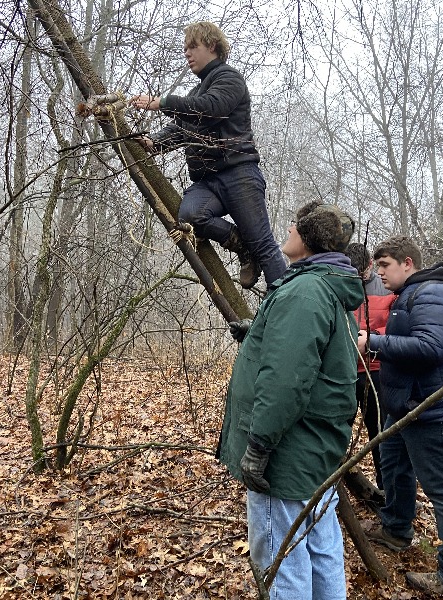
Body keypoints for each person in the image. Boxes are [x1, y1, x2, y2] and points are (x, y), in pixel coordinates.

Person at [218, 201, 363, 599]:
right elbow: (309, 354)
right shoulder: (326, 285)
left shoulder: (305, 292)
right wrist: (261, 330)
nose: (288, 229)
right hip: (315, 446)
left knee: (281, 558)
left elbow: (287, 381)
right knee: (319, 544)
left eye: (295, 225)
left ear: (308, 238)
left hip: (287, 451)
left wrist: (260, 445)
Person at [360, 235, 443, 596]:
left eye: (385, 265)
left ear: (407, 262)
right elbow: (417, 337)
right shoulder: (413, 295)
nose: (379, 273)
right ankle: (396, 530)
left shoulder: (434, 293)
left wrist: (375, 343)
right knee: (394, 465)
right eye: (377, 266)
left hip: (436, 412)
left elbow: (431, 347)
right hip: (409, 408)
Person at [129, 21, 286, 289]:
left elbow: (210, 108)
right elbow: (181, 130)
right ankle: (241, 246)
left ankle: (284, 304)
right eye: (185, 49)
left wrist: (163, 102)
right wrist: (152, 142)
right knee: (189, 216)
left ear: (212, 46)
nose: (187, 54)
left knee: (263, 244)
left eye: (193, 47)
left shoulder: (229, 78)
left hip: (239, 174)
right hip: (207, 181)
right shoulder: (195, 92)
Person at [344, 242, 395, 493]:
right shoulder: (342, 284)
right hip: (344, 372)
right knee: (337, 431)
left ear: (370, 266)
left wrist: (372, 338)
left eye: (362, 273)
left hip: (376, 371)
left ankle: (387, 491)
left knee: (380, 435)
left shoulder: (387, 288)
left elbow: (399, 329)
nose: (358, 278)